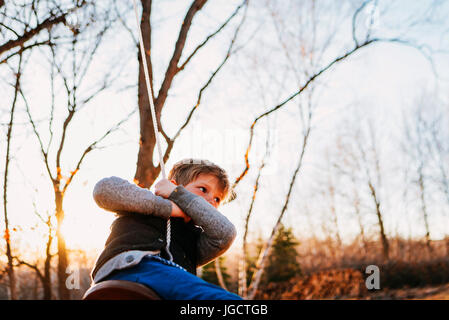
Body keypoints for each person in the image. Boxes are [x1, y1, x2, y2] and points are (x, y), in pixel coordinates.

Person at [90, 158, 242, 300]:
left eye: (217, 199)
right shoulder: (144, 205)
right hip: (131, 267)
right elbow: (103, 189)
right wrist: (171, 205)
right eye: (203, 189)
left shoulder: (196, 239)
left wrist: (184, 201)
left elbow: (225, 233)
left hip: (168, 284)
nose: (211, 201)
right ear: (173, 186)